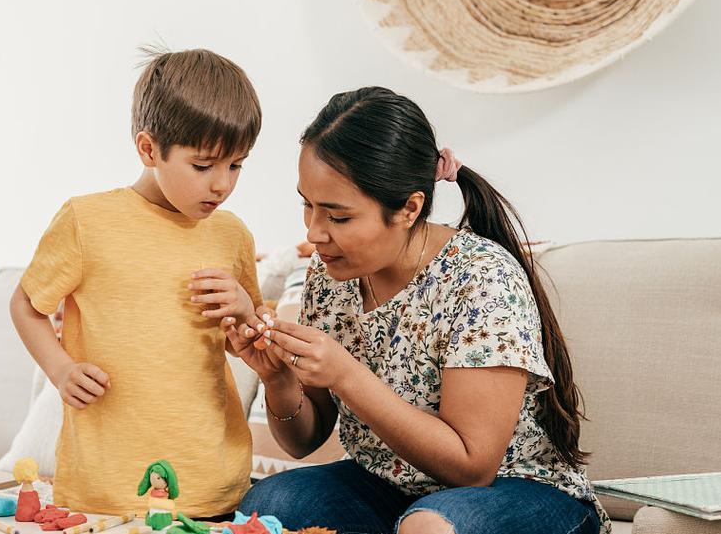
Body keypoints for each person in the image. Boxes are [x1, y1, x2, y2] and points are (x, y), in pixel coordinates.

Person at [228, 87, 610, 534]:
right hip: (390, 490)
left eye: (338, 216)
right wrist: (278, 378)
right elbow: (303, 440)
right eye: (307, 206)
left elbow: (472, 468)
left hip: (517, 491)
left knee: (427, 527)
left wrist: (346, 375)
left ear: (409, 208)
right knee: (269, 505)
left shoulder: (480, 278)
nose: (314, 232)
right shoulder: (329, 276)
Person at [11, 48, 265, 517]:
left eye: (236, 165)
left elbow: (245, 340)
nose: (222, 185)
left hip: (213, 480)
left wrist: (247, 313)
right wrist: (62, 370)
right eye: (204, 166)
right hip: (104, 487)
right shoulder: (88, 221)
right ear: (149, 149)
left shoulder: (232, 234)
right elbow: (27, 305)